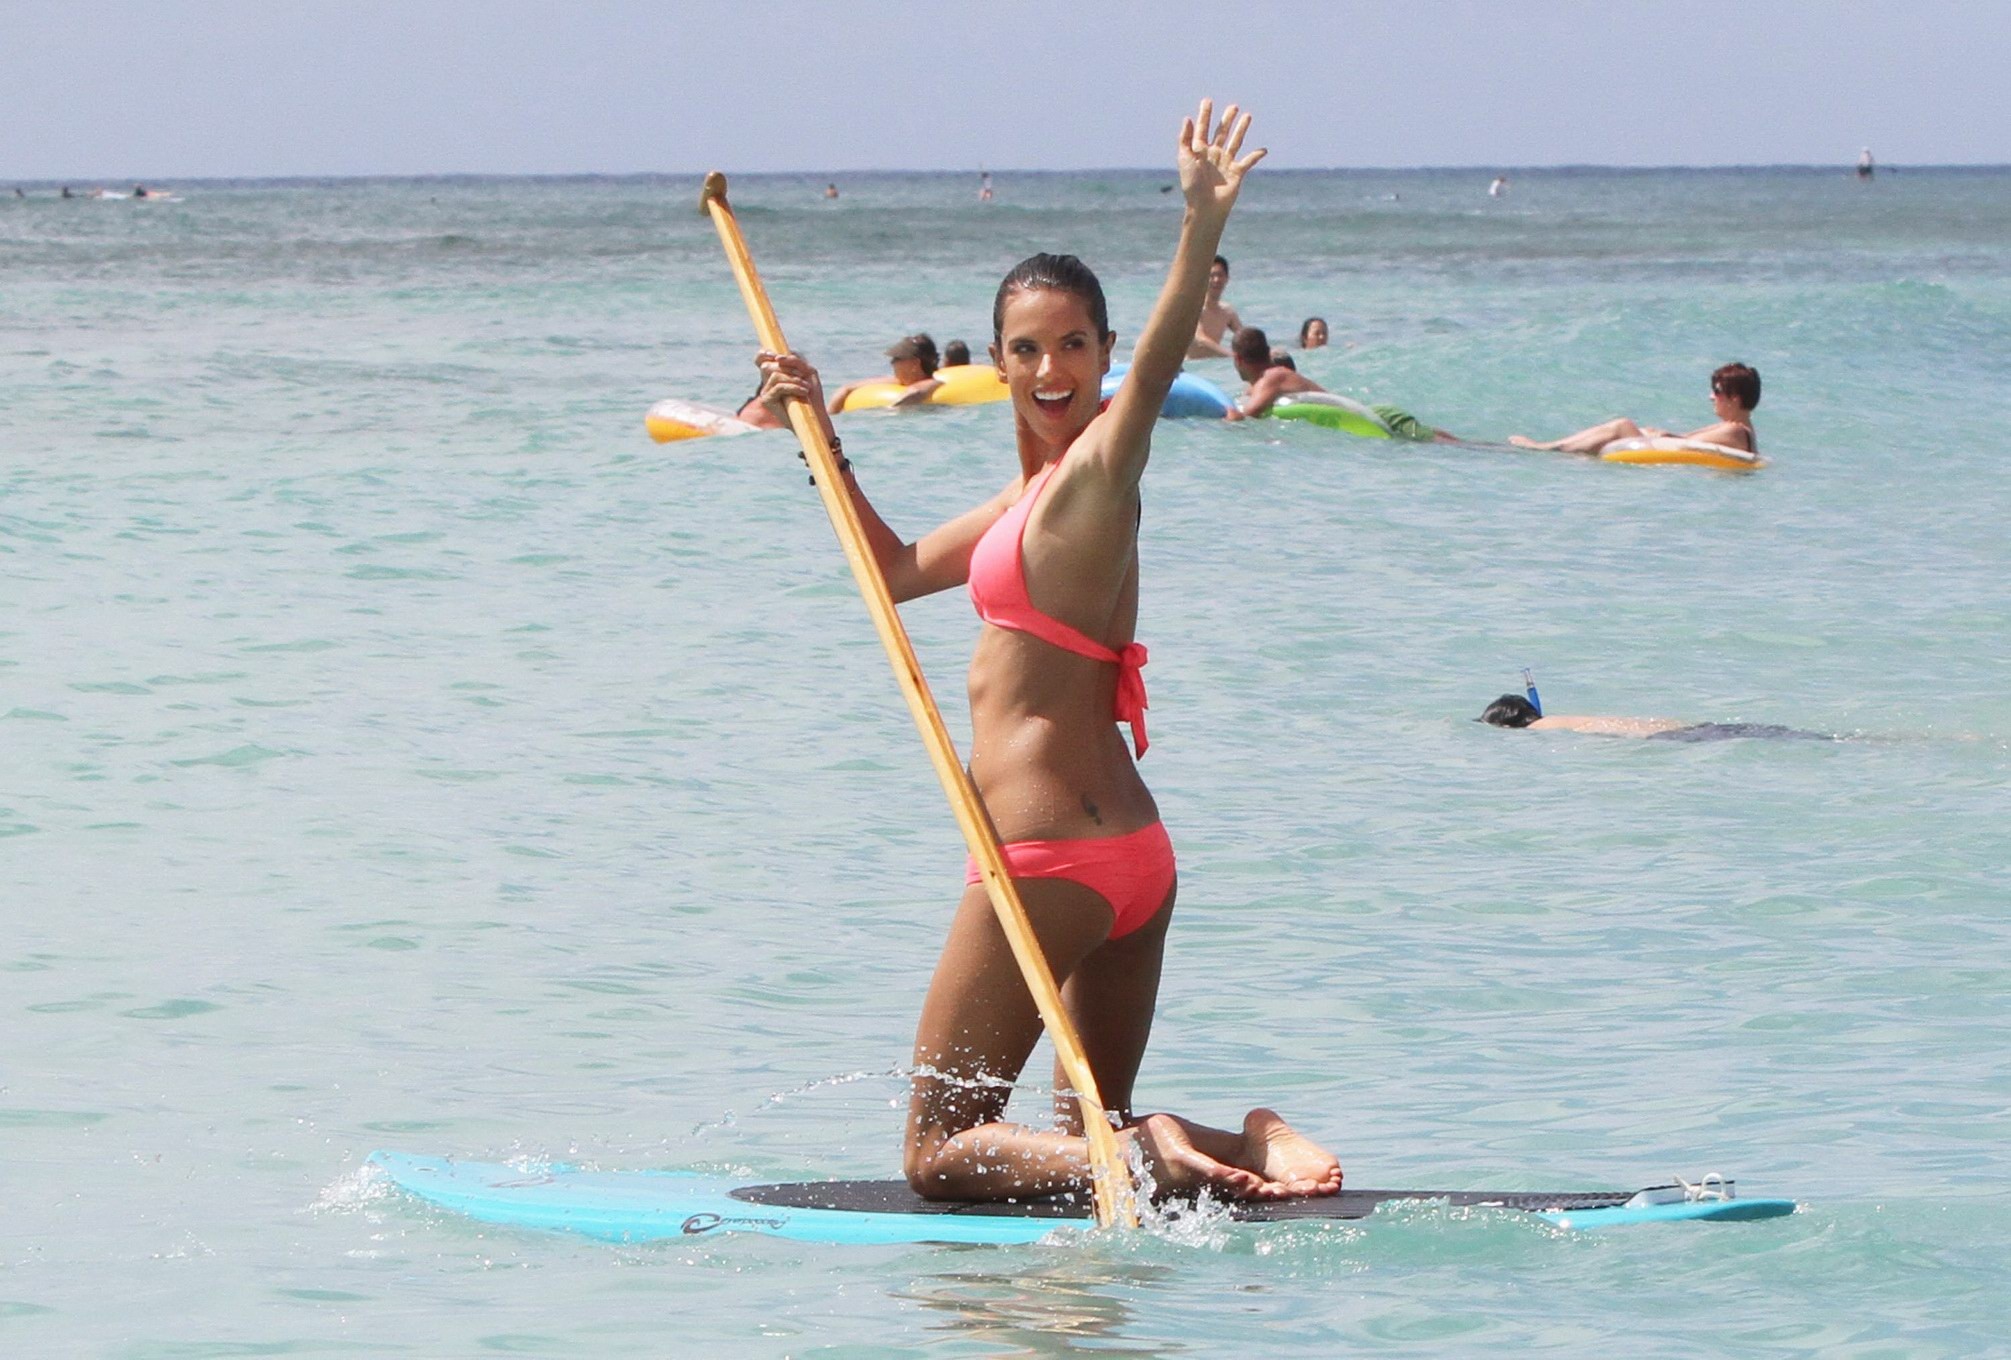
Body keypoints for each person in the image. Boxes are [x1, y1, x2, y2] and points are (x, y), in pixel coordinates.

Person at [754, 100, 1340, 1205]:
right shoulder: (1028, 499)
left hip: (1047, 867)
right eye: (1026, 347)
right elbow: (888, 572)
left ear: (1105, 353)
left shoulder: (1097, 473)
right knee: (1082, 1128)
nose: (1049, 366)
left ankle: (1145, 1152)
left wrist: (1197, 228)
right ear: (1003, 360)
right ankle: (1232, 1139)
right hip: (1132, 862)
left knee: (939, 1154)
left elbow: (1166, 358)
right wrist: (817, 430)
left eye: (1074, 342)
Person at [1225, 326, 1459, 440]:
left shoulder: (1273, 377)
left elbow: (1248, 415)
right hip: (1371, 417)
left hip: (1380, 417)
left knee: (1452, 446)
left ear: (1238, 358)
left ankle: (1492, 450)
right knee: (1438, 442)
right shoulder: (1259, 385)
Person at [1509, 362, 1760, 455]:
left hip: (1665, 457)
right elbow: (1690, 440)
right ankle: (1558, 448)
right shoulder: (1735, 428)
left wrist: (1659, 435)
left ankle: (1546, 448)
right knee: (1631, 428)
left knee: (1622, 425)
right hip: (1667, 451)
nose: (1710, 397)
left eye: (1716, 391)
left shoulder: (1737, 432)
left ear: (1735, 399)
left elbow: (1684, 441)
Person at [1477, 694, 1833, 742]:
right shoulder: (1554, 719)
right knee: (1785, 735)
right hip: (1683, 728)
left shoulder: (1540, 728)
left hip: (1671, 740)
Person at [825, 333, 944, 413]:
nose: (892, 363)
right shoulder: (897, 382)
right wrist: (829, 415)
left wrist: (884, 413)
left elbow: (915, 392)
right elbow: (847, 388)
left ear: (915, 363)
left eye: (897, 359)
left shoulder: (932, 383)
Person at [1184, 254, 1241, 359]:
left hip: (1214, 367)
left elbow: (1244, 338)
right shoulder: (1194, 309)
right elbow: (1200, 338)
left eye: (1220, 275)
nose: (1216, 280)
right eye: (1212, 276)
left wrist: (1264, 352)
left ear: (1227, 279)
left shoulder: (1228, 312)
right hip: (1191, 366)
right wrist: (1230, 355)